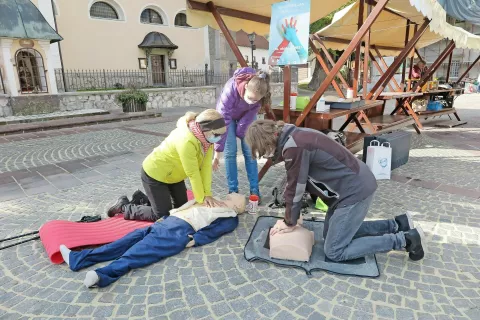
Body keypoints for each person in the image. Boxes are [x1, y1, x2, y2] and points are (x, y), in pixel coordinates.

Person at [245, 120, 426, 262]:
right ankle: (397, 224)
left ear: (268, 142)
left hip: (354, 191)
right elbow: (301, 178)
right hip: (352, 185)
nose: (266, 156)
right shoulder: (294, 135)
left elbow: (296, 187)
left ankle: (405, 240)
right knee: (332, 234)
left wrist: (289, 221)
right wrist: (295, 214)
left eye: (263, 152)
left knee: (334, 250)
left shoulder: (294, 147)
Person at [59, 193, 246, 288]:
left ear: (237, 207)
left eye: (231, 198)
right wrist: (164, 219)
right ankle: (80, 259)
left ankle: (102, 275)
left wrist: (195, 239)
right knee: (124, 242)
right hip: (169, 222)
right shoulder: (212, 201)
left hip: (180, 231)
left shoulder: (230, 216)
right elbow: (186, 208)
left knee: (139, 253)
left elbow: (216, 231)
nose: (227, 197)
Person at [107, 109, 227, 222]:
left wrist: (208, 195)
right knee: (161, 216)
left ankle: (141, 198)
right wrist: (201, 199)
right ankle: (124, 206)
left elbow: (205, 168)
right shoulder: (186, 140)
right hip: (154, 174)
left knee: (182, 207)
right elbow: (193, 173)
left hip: (174, 176)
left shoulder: (206, 141)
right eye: (217, 134)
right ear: (206, 129)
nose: (219, 138)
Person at [214, 67, 271, 200]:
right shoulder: (230, 91)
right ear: (245, 86)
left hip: (245, 117)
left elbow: (248, 120)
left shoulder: (259, 99)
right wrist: (217, 152)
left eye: (255, 100)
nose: (251, 101)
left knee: (249, 152)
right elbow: (224, 121)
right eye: (250, 98)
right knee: (230, 152)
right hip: (227, 117)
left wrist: (241, 133)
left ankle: (254, 190)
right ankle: (233, 190)